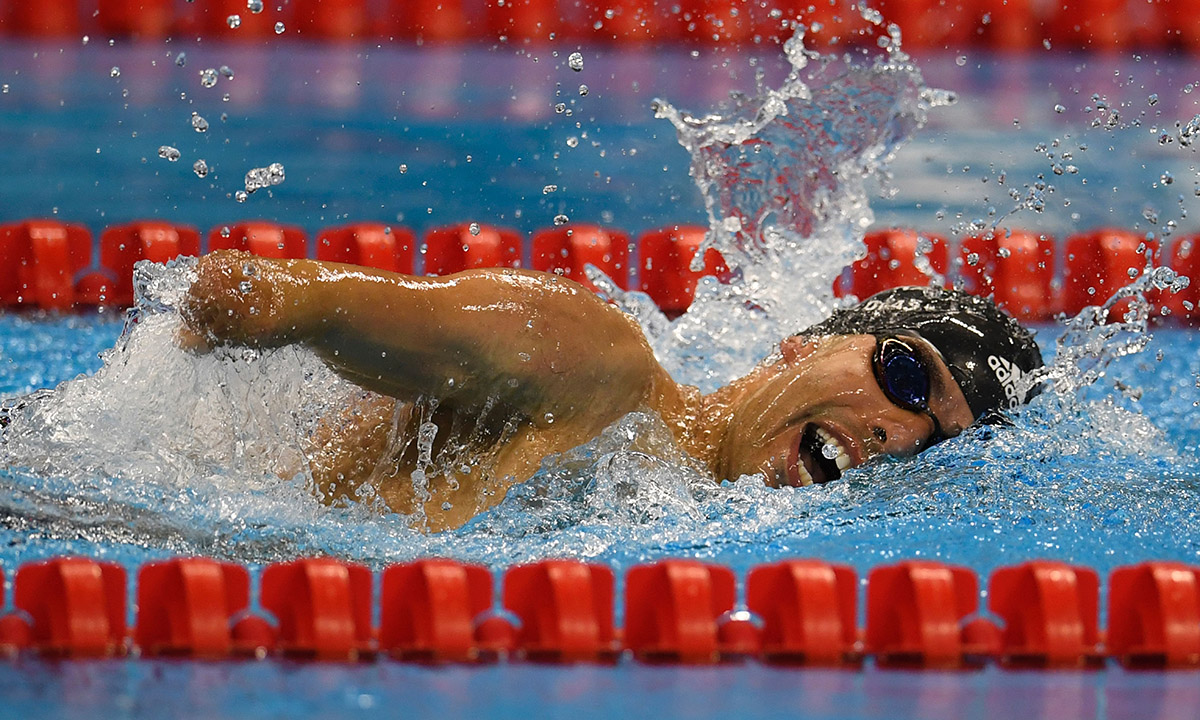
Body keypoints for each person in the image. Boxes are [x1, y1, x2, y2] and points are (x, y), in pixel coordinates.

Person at [180, 249, 1044, 531]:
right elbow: (256, 295)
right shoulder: (602, 369)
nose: (896, 429)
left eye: (935, 434)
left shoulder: (686, 509)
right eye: (902, 374)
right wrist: (269, 307)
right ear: (804, 345)